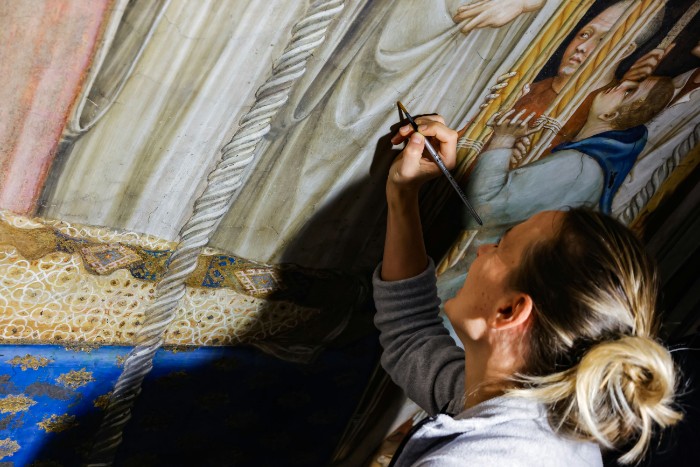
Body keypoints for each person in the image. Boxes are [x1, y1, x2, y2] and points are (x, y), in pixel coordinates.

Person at [374, 114, 681, 465]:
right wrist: (403, 193)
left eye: (501, 247)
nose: (482, 249)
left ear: (510, 311)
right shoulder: (527, 407)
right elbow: (410, 335)